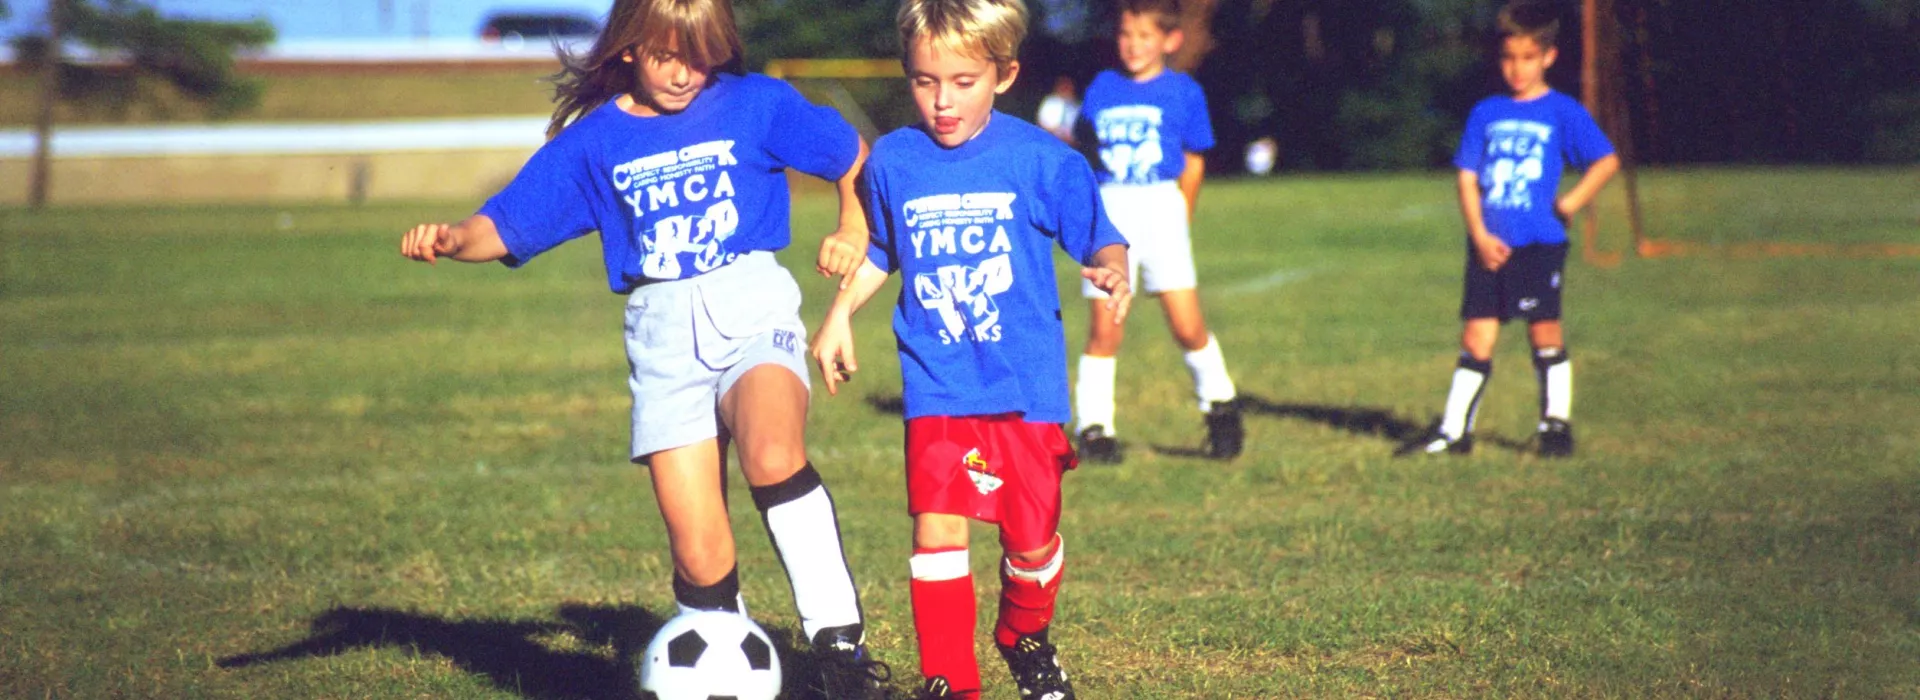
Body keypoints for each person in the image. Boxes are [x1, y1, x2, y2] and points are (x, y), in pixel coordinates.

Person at [395, 1, 888, 697]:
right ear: (628, 48)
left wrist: (853, 224)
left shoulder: (758, 103)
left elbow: (854, 160)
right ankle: (721, 675)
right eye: (667, 55)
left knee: (772, 452)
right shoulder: (593, 143)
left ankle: (842, 656)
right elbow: (505, 225)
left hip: (750, 307)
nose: (687, 72)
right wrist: (452, 238)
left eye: (701, 53)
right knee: (698, 547)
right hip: (661, 339)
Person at [809, 0, 1131, 696]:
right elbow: (884, 251)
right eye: (925, 82)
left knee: (1031, 547)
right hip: (940, 382)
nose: (942, 100)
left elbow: (1097, 232)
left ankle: (1024, 636)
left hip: (1025, 389)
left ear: (1003, 75)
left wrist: (1113, 266)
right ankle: (952, 682)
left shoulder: (1042, 159)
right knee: (937, 534)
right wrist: (838, 316)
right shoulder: (895, 159)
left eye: (962, 81)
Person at [1399, 0, 1618, 458]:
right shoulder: (1486, 112)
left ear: (1548, 57)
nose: (1517, 69)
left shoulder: (1563, 111)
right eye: (1508, 58)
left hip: (1538, 245)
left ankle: (1555, 426)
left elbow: (1605, 160)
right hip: (1487, 246)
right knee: (1476, 338)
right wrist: (1478, 234)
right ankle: (1455, 431)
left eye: (1527, 58)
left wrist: (1573, 200)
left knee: (1544, 334)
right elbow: (1466, 176)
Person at [1070, 0, 1242, 463]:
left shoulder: (1183, 91)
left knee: (1187, 325)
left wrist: (1179, 215)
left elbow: (1194, 161)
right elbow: (1084, 144)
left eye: (1145, 36)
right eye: (1126, 35)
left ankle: (1220, 404)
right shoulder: (1102, 88)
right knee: (1106, 329)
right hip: (1112, 210)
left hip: (1161, 204)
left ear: (1170, 40)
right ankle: (1095, 427)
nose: (1133, 46)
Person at [1035, 74, 1080, 142]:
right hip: (1050, 138)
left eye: (1068, 87)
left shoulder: (1076, 106)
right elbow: (1041, 123)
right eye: (1063, 86)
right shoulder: (1050, 102)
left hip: (1070, 144)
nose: (1066, 89)